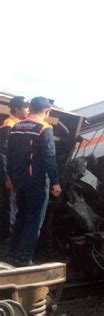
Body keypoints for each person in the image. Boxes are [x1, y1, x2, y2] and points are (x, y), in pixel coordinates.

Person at [6, 96, 61, 266]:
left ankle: (12, 254)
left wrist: (11, 178)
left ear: (30, 108)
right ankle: (24, 258)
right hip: (36, 181)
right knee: (34, 219)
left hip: (19, 180)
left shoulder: (16, 126)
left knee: (21, 216)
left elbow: (9, 154)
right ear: (46, 111)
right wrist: (55, 182)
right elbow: (49, 157)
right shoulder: (44, 128)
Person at [0, 96, 29, 241]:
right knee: (10, 209)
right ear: (17, 108)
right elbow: (3, 152)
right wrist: (7, 177)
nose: (28, 109)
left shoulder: (20, 124)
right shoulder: (9, 125)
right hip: (10, 176)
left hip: (18, 174)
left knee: (16, 208)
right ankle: (7, 243)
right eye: (25, 106)